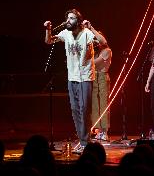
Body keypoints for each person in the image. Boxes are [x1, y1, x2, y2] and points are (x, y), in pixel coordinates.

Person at [44, 9, 107, 151]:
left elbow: (103, 41)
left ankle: (85, 141)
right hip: (71, 77)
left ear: (78, 21)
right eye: (67, 18)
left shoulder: (86, 33)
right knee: (75, 109)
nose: (68, 21)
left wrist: (91, 28)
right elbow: (48, 40)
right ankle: (83, 140)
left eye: (71, 18)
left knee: (84, 108)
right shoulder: (65, 33)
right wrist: (48, 29)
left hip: (85, 76)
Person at [91, 32, 112, 141]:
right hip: (94, 77)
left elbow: (95, 63)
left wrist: (83, 61)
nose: (96, 42)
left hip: (103, 77)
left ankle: (104, 131)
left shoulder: (107, 51)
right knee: (95, 104)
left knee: (103, 104)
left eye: (97, 39)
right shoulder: (95, 51)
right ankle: (97, 129)